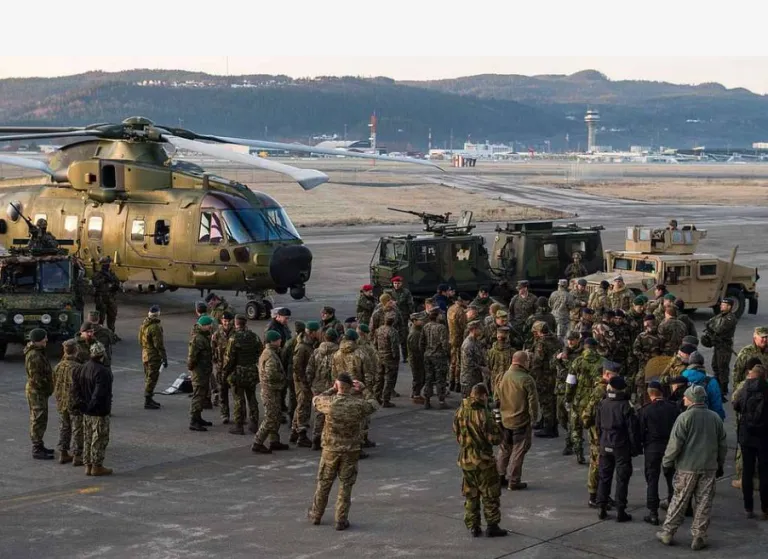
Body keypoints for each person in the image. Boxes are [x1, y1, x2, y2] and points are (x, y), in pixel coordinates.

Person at [657, 384, 727, 551]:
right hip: (708, 466)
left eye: (686, 397)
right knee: (704, 502)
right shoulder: (715, 418)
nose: (683, 398)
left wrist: (667, 462)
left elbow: (675, 444)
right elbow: (722, 444)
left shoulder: (684, 417)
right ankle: (699, 535)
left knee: (679, 500)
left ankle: (668, 532)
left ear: (692, 399)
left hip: (687, 467)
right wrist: (720, 463)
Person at [308, 374, 378, 530]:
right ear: (351, 387)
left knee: (324, 482)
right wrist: (364, 389)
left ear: (337, 385)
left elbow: (316, 399)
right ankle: (341, 518)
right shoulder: (357, 405)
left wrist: (332, 389)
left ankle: (316, 514)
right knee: (346, 485)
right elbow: (374, 404)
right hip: (351, 449)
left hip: (330, 449)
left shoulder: (329, 403)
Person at [454, 383, 508, 538]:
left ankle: (473, 526)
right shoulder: (484, 415)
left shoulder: (460, 411)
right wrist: (499, 425)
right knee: (490, 493)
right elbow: (495, 439)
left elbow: (456, 432)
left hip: (466, 459)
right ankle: (492, 525)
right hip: (483, 460)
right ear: (483, 396)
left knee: (471, 494)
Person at [595, 375, 640, 522]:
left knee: (604, 476)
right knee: (622, 478)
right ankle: (621, 510)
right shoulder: (625, 405)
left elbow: (597, 425)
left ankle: (601, 507)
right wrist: (635, 448)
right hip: (621, 445)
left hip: (605, 443)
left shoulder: (603, 403)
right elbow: (632, 429)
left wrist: (600, 441)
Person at [495, 351, 539, 491]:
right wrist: (534, 418)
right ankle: (514, 480)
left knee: (504, 449)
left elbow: (496, 398)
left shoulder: (502, 376)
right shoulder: (527, 379)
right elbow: (533, 402)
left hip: (504, 419)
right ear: (524, 362)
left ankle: (499, 476)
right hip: (521, 421)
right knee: (518, 451)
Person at [638, 380, 680, 525]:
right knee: (671, 478)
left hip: (652, 448)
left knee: (652, 479)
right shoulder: (673, 408)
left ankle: (653, 512)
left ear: (649, 394)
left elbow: (640, 431)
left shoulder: (645, 410)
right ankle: (673, 507)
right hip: (669, 446)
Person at [72, 341, 113, 476]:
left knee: (88, 437)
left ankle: (88, 464)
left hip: (86, 410)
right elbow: (99, 393)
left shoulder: (82, 368)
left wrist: (82, 405)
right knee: (99, 438)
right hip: (98, 411)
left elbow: (76, 389)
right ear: (102, 354)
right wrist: (91, 406)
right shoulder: (103, 372)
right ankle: (97, 465)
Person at [732, 363, 768, 518]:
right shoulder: (766, 389)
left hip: (747, 435)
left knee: (747, 471)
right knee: (765, 471)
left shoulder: (745, 388)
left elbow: (736, 405)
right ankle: (765, 508)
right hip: (764, 436)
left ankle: (748, 508)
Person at [223, 315, 263, 435]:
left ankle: (239, 425)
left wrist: (225, 372)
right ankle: (254, 423)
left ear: (236, 324)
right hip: (251, 371)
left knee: (238, 399)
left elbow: (229, 358)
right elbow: (260, 351)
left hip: (238, 372)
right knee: (252, 397)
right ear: (245, 324)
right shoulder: (254, 336)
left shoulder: (234, 338)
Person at [252, 330, 289, 453]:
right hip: (270, 390)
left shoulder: (270, 352)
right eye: (278, 339)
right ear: (273, 341)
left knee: (276, 416)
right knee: (270, 418)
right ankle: (258, 442)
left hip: (273, 389)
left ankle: (274, 440)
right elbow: (271, 374)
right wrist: (283, 378)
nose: (280, 341)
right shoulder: (270, 355)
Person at [306, 328, 340, 450]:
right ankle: (331, 439)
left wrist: (310, 383)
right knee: (333, 413)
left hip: (318, 385)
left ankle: (316, 437)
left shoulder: (316, 351)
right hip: (333, 386)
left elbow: (310, 369)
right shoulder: (338, 353)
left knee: (319, 413)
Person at [53, 339, 84, 466]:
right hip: (75, 402)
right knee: (77, 428)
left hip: (61, 401)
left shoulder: (58, 366)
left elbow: (54, 382)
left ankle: (63, 453)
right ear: (76, 351)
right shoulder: (78, 368)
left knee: (64, 427)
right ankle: (77, 455)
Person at [25, 328, 54, 460]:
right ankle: (36, 448)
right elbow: (37, 378)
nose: (46, 340)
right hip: (37, 392)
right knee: (38, 419)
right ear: (38, 340)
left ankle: (39, 445)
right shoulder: (34, 356)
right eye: (44, 338)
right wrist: (47, 387)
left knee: (41, 418)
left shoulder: (38, 351)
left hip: (39, 391)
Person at [292, 321, 322, 447]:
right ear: (312, 332)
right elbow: (297, 366)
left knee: (301, 405)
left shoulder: (310, 344)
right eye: (318, 331)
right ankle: (301, 435)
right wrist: (304, 381)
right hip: (302, 381)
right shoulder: (302, 347)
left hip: (305, 379)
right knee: (303, 407)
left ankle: (295, 431)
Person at [703, 297, 738, 398]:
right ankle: (717, 385)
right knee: (715, 365)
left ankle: (723, 388)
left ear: (729, 307)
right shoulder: (720, 316)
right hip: (718, 345)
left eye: (724, 305)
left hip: (724, 346)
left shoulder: (730, 318)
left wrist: (711, 327)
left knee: (722, 367)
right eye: (721, 304)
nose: (721, 306)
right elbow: (708, 323)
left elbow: (719, 329)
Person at [187, 315, 214, 432]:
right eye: (209, 325)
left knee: (202, 395)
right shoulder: (198, 339)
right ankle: (193, 421)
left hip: (204, 370)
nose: (210, 327)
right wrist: (192, 368)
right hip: (199, 372)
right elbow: (192, 357)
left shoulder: (203, 336)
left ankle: (198, 418)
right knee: (198, 396)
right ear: (203, 326)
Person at [682, 351, 725, 420]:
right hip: (706, 419)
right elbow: (716, 405)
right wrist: (719, 420)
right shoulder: (711, 381)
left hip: (685, 418)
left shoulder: (681, 378)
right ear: (702, 363)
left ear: (689, 363)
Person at [420, 308, 450, 409]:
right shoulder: (441, 327)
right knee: (440, 379)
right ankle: (441, 401)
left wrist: (424, 352)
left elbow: (421, 342)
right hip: (439, 356)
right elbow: (444, 343)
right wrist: (448, 353)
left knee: (428, 378)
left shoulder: (426, 326)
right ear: (437, 316)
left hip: (427, 355)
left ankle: (427, 400)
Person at [139, 305, 167, 410]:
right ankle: (148, 400)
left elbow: (140, 340)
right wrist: (164, 357)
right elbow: (159, 344)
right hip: (153, 355)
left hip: (145, 353)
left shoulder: (144, 324)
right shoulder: (155, 327)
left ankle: (149, 398)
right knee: (152, 377)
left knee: (148, 376)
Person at [212, 311, 236, 424]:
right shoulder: (217, 334)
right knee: (222, 392)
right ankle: (224, 414)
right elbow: (213, 348)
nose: (226, 323)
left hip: (233, 368)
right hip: (221, 368)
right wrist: (215, 362)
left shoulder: (236, 333)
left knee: (237, 394)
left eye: (228, 321)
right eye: (224, 321)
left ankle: (239, 415)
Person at [92, 256, 121, 337]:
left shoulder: (111, 273)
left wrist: (115, 285)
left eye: (108, 263)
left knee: (112, 316)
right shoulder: (98, 274)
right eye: (105, 264)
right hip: (101, 299)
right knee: (100, 318)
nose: (107, 265)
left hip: (111, 298)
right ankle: (98, 335)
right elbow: (95, 283)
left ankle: (111, 334)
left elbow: (117, 282)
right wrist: (104, 280)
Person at [447, 293, 469, 393]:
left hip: (451, 338)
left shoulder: (451, 308)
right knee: (459, 363)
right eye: (467, 301)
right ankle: (457, 384)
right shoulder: (461, 312)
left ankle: (451, 382)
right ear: (463, 301)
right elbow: (464, 326)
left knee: (452, 362)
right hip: (459, 339)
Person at [460, 320, 489, 397]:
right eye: (479, 329)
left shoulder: (476, 342)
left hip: (476, 377)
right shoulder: (468, 344)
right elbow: (468, 362)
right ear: (474, 330)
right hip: (469, 378)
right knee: (468, 399)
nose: (481, 331)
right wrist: (482, 368)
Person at [390, 276, 414, 361]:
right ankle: (394, 356)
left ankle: (405, 356)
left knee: (404, 337)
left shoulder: (406, 292)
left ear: (401, 283)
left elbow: (410, 304)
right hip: (393, 318)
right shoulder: (390, 292)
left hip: (403, 317)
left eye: (398, 283)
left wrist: (411, 316)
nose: (396, 285)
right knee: (392, 337)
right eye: (395, 283)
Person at [407, 311, 426, 404]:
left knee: (419, 377)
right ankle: (416, 395)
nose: (422, 321)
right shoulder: (415, 333)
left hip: (417, 358)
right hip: (416, 359)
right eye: (420, 320)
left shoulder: (418, 330)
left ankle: (415, 393)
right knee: (418, 377)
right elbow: (416, 349)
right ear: (414, 321)